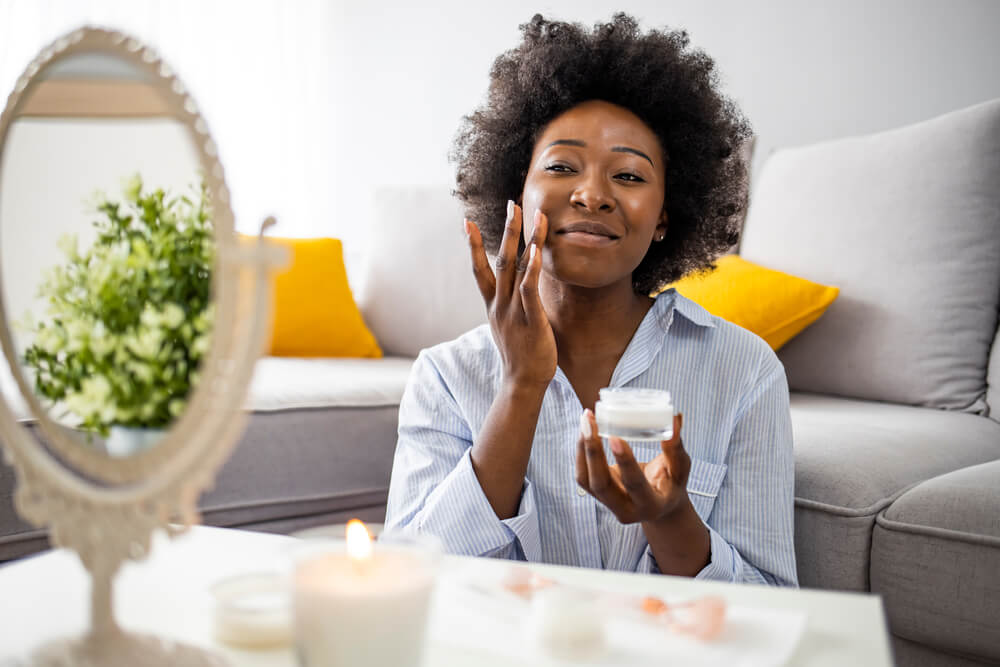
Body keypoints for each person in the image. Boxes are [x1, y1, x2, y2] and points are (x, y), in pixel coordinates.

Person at [384, 13, 797, 586]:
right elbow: (402, 585)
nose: (592, 194)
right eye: (561, 166)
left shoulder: (744, 372)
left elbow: (772, 606)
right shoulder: (445, 378)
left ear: (664, 218)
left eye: (628, 176)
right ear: (516, 194)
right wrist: (520, 386)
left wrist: (671, 516)